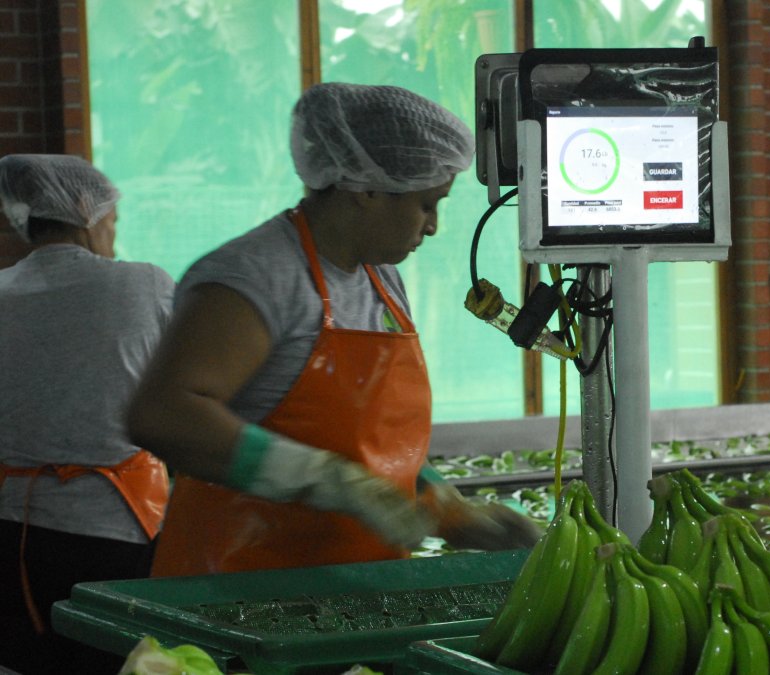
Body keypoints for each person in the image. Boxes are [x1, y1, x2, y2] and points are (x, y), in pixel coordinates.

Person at [126, 82, 541, 578]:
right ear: (365, 188)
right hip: (236, 587)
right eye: (427, 204)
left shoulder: (380, 278)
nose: (432, 226)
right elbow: (163, 414)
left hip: (355, 586)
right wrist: (320, 478)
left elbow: (374, 443)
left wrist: (443, 505)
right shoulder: (257, 276)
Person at [0, 154, 174, 673]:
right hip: (114, 532)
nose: (113, 239)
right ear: (84, 209)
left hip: (12, 530)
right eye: (112, 222)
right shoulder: (144, 284)